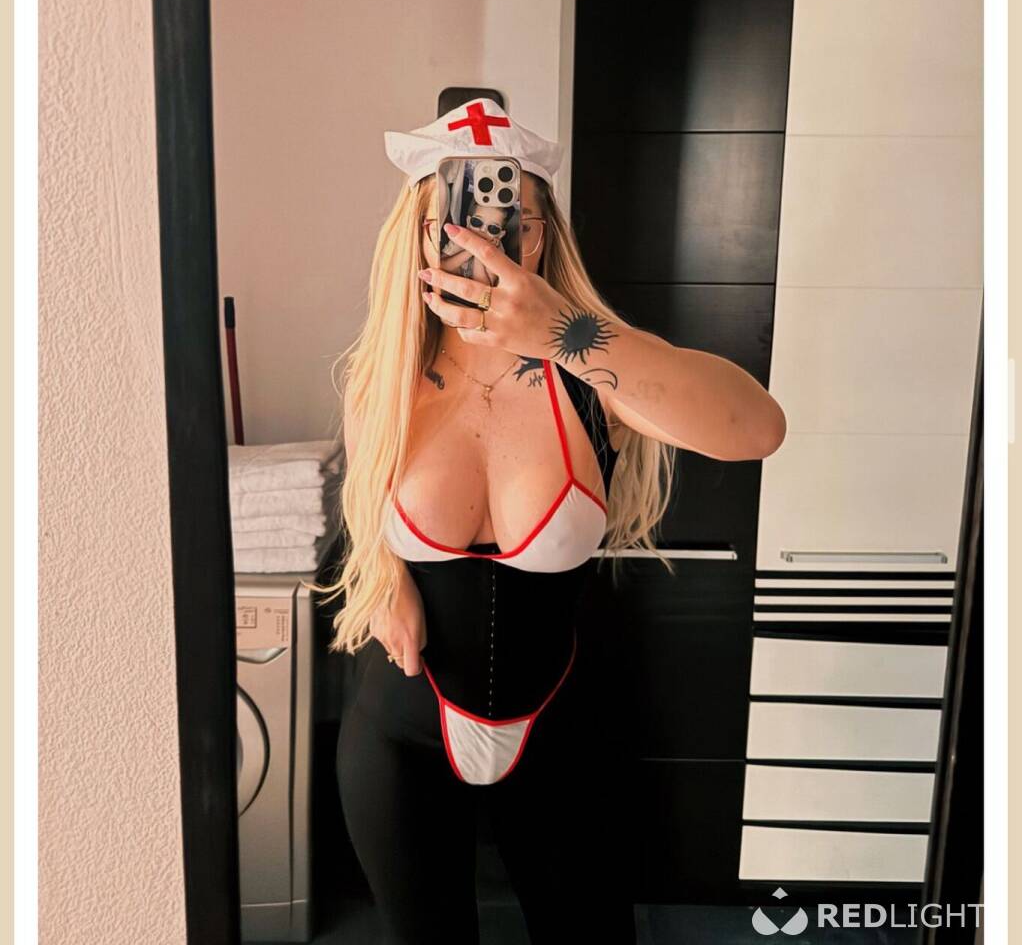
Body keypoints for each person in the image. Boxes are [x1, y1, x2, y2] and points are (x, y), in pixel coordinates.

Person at [306, 98, 786, 944]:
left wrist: (568, 332)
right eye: (453, 220)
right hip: (398, 736)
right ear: (417, 237)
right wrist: (383, 579)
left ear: (541, 237)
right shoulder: (381, 382)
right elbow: (362, 517)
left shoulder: (593, 371)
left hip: (562, 735)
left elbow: (757, 428)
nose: (482, 242)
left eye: (508, 219)